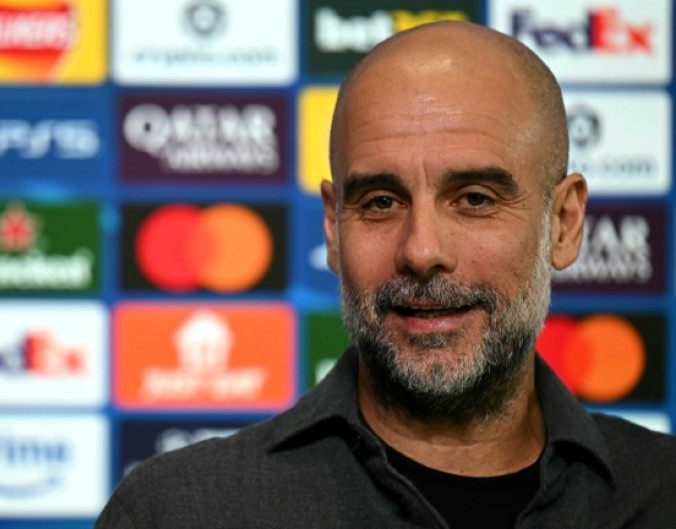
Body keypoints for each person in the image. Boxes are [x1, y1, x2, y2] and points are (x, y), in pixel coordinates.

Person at [95, 21, 676, 529]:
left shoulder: (662, 493)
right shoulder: (179, 512)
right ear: (333, 228)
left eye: (474, 199)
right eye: (380, 202)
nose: (421, 250)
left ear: (564, 224)